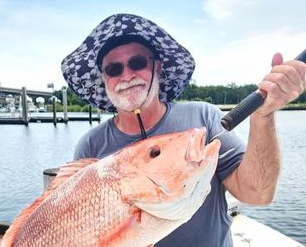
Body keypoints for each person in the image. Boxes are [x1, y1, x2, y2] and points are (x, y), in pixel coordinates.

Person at [60, 13, 306, 246]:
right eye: (113, 69)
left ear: (157, 68)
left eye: (137, 62)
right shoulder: (90, 146)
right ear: (104, 79)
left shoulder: (204, 118)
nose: (126, 75)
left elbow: (257, 194)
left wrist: (262, 117)